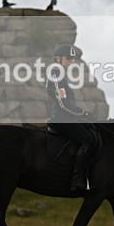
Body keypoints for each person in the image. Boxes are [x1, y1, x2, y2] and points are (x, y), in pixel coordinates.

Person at [46, 44, 99, 191]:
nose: (71, 61)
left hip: (69, 116)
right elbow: (63, 103)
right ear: (58, 58)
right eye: (68, 58)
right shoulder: (56, 72)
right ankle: (78, 180)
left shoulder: (61, 74)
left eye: (72, 59)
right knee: (88, 140)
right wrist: (81, 113)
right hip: (61, 118)